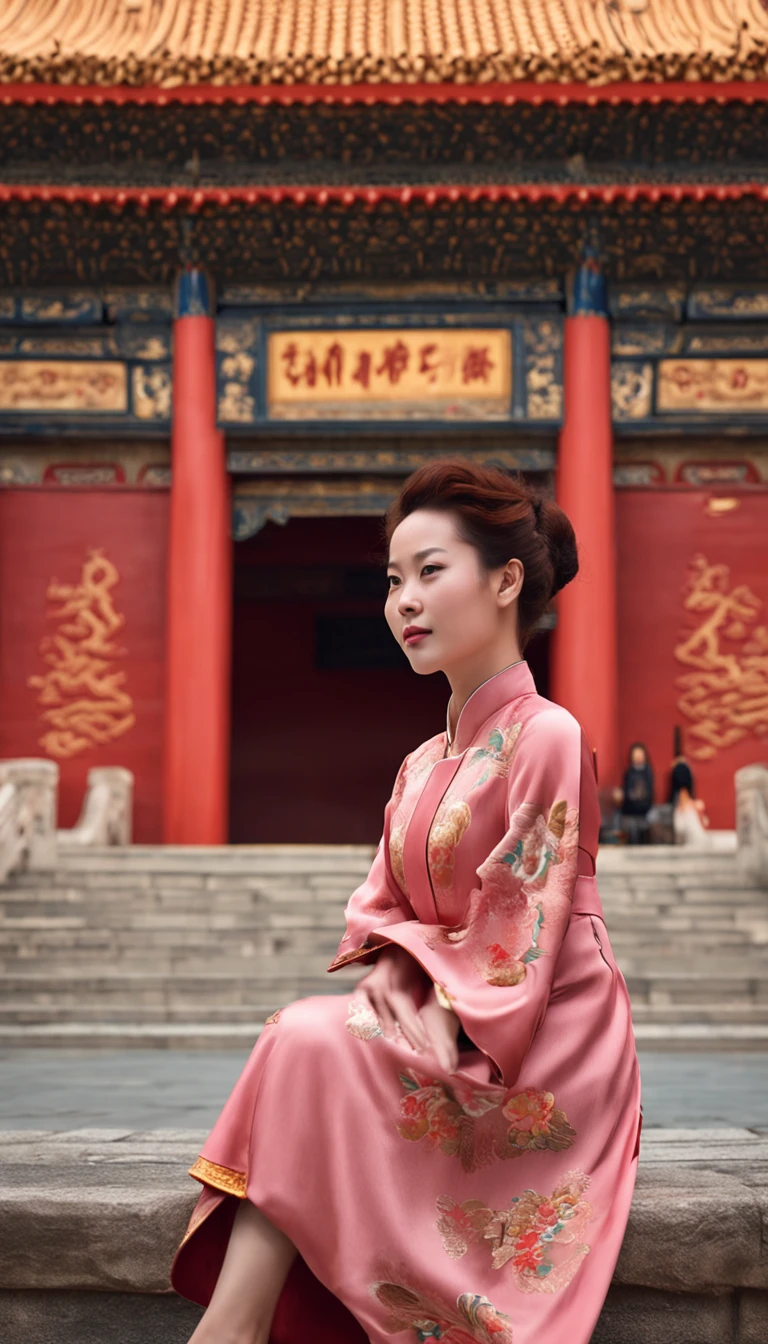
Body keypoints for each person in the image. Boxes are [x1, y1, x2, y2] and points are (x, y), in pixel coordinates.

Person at [170, 460, 642, 1344]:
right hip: (445, 1010)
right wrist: (393, 958)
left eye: (431, 572)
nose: (403, 602)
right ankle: (230, 1329)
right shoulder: (423, 761)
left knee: (307, 1037)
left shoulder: (548, 733)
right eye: (393, 581)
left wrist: (424, 973)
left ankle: (229, 1332)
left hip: (541, 1040)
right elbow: (377, 898)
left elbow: (519, 924)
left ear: (505, 583)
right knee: (304, 1038)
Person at [616, 743, 655, 844]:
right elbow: (627, 792)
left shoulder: (648, 772)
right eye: (635, 754)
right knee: (630, 828)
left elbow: (649, 793)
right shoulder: (629, 773)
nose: (637, 757)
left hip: (645, 810)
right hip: (630, 811)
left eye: (639, 754)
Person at [669, 756, 710, 846]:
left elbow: (680, 830)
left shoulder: (682, 806)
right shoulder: (696, 805)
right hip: (697, 844)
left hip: (690, 846)